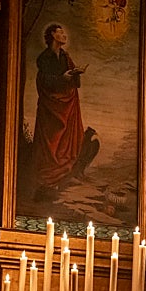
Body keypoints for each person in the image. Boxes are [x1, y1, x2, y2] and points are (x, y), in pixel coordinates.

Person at [32, 22, 88, 194]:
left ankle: (63, 176)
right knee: (51, 140)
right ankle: (47, 180)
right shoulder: (44, 58)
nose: (64, 36)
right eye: (60, 33)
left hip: (67, 104)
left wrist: (74, 74)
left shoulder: (65, 57)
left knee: (66, 140)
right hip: (51, 106)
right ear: (52, 36)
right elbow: (45, 81)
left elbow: (72, 81)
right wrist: (62, 78)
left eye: (64, 33)